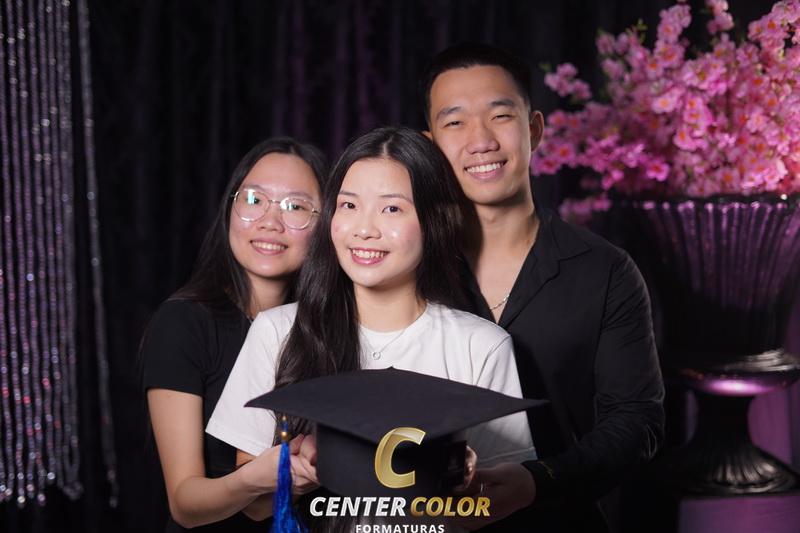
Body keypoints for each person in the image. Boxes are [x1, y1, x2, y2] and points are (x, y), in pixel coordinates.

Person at [206, 127, 536, 523]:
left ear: (436, 219)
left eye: (391, 209)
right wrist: (295, 472)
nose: (364, 229)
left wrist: (454, 477)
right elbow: (257, 509)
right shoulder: (277, 331)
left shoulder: (481, 345)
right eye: (348, 205)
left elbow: (500, 503)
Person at [421, 43, 665, 531]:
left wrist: (541, 480)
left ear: (534, 128)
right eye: (455, 122)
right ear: (429, 145)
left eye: (499, 116)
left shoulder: (605, 270)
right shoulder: (409, 265)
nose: (480, 141)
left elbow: (636, 422)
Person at [141, 137, 327, 532]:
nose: (270, 222)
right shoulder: (183, 324)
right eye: (254, 199)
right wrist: (256, 478)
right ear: (230, 207)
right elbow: (184, 504)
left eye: (295, 207)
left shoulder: (328, 330)